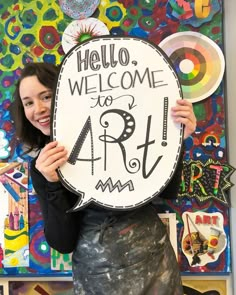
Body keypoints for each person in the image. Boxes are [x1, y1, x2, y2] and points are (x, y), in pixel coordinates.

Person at [11, 62, 196, 295]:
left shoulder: (117, 135)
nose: (37, 109)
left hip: (152, 265)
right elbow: (63, 243)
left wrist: (175, 140)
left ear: (69, 94)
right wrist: (53, 184)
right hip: (96, 276)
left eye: (46, 96)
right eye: (28, 103)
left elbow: (168, 192)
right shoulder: (42, 167)